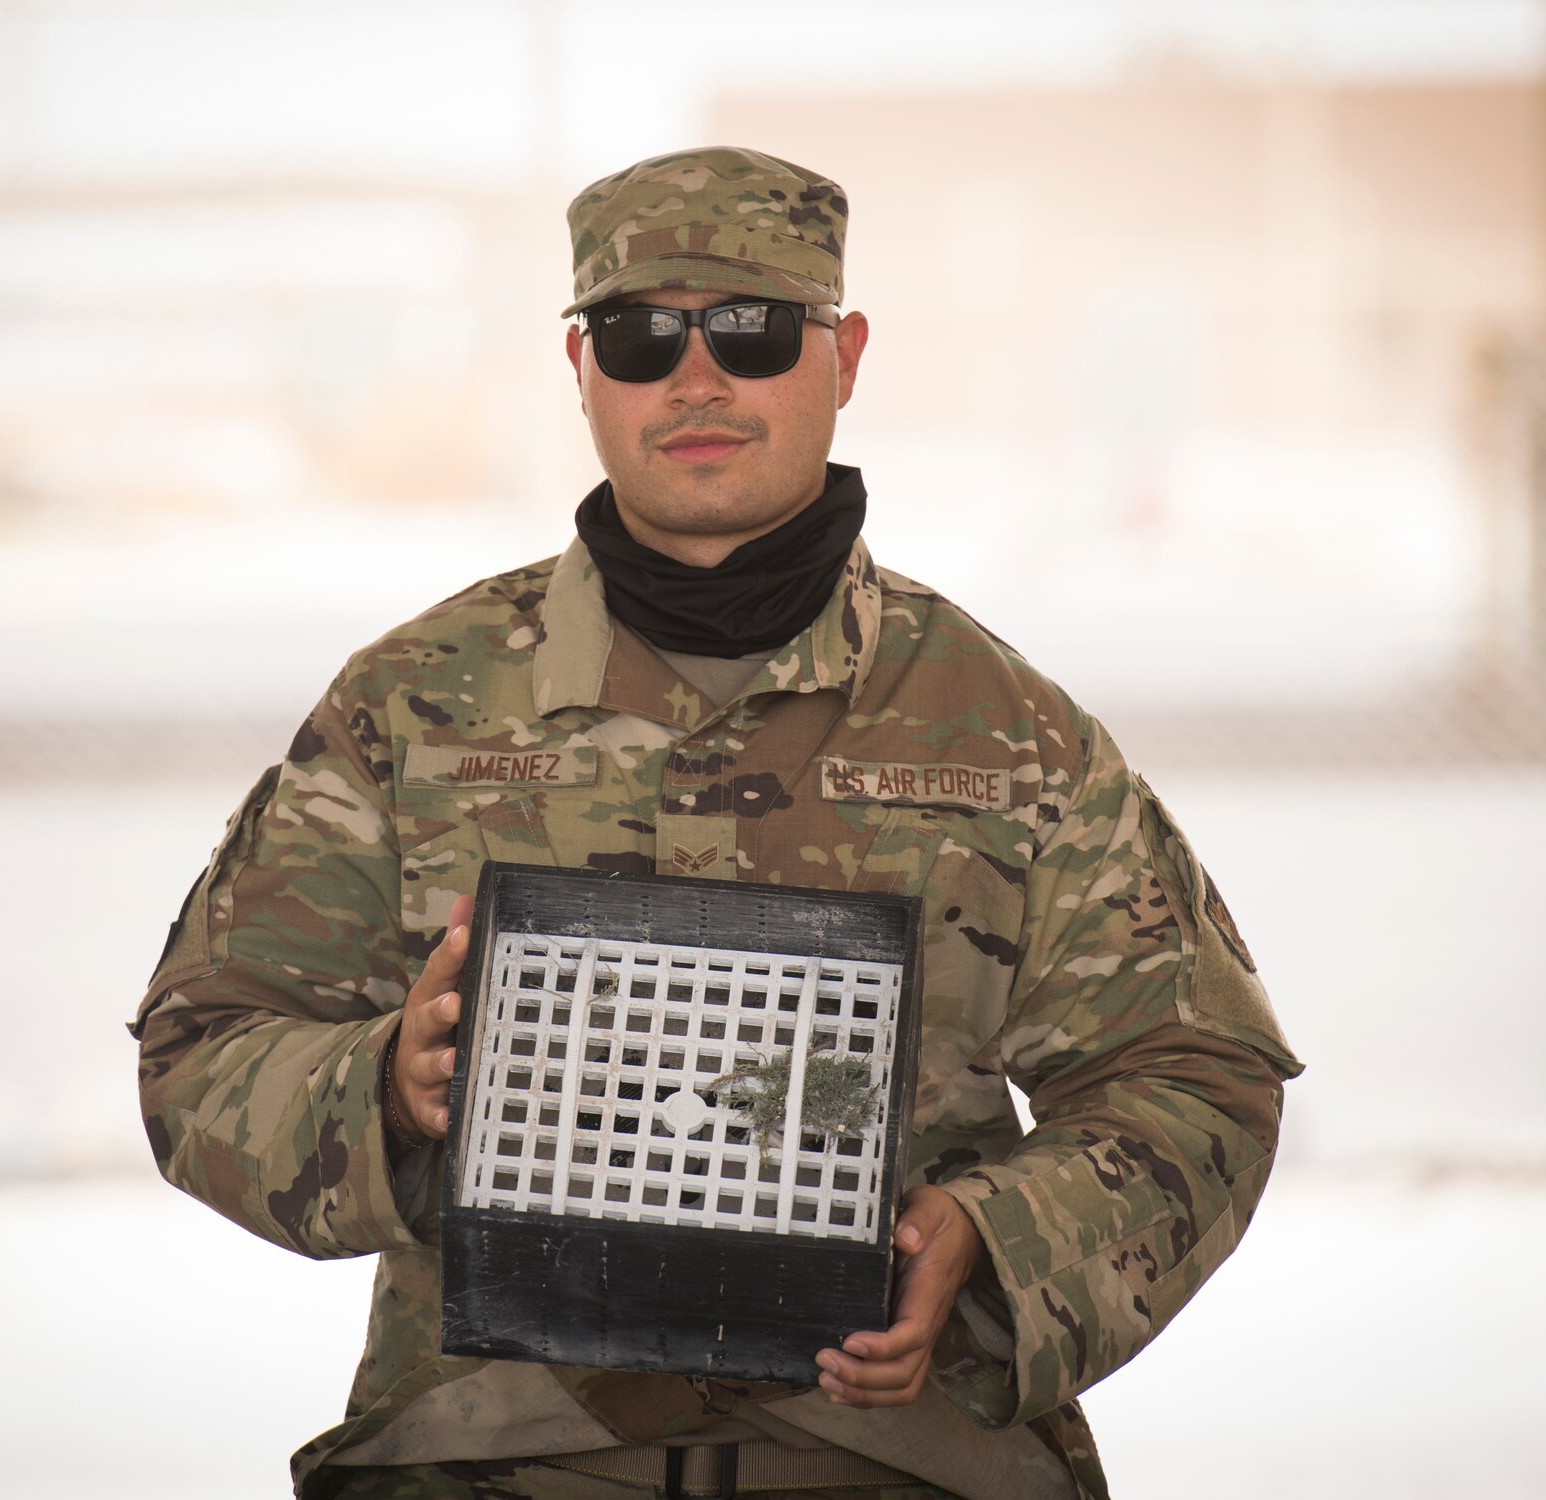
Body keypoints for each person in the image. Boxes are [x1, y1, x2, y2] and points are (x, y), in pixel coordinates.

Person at [131, 146, 1302, 1500]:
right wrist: (386, 1090)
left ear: (844, 355)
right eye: (641, 339)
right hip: (499, 1456)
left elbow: (1199, 1075)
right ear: (580, 370)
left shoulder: (999, 729)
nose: (696, 380)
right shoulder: (416, 707)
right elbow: (202, 1047)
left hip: (893, 1457)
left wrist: (989, 1237)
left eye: (750, 332)